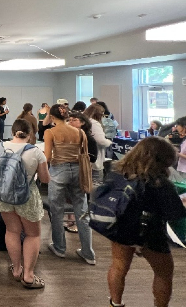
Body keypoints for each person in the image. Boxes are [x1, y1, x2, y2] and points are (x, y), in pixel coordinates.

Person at [106, 137, 186, 307]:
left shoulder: (119, 175)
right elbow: (175, 214)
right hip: (151, 232)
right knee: (164, 273)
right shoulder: (160, 183)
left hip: (121, 229)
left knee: (118, 267)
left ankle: (115, 303)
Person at [0, 120, 50, 289]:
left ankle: (16, 269)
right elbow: (45, 179)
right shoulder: (36, 152)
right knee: (32, 234)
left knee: (12, 230)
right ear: (30, 134)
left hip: (3, 196)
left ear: (13, 131)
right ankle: (28, 275)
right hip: (26, 197)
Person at [44, 104, 95, 265]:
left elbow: (47, 156)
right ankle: (88, 252)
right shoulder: (79, 132)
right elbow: (84, 153)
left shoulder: (50, 132)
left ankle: (60, 247)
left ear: (52, 117)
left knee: (57, 210)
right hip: (78, 170)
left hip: (59, 170)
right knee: (82, 210)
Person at [66, 112, 98, 233]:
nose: (70, 122)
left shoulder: (88, 138)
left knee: (80, 199)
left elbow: (93, 157)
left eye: (74, 120)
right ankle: (71, 220)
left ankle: (79, 224)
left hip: (81, 171)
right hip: (70, 171)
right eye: (69, 120)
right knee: (69, 197)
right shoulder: (70, 135)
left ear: (82, 122)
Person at [84, 104, 112, 186]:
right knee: (96, 185)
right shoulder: (94, 123)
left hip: (85, 159)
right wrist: (109, 142)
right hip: (95, 158)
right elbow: (101, 141)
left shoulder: (84, 121)